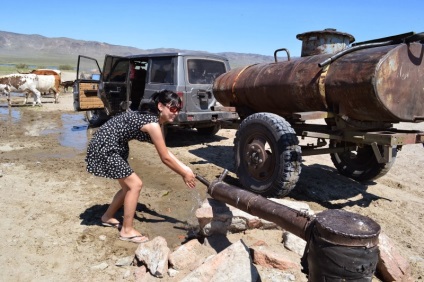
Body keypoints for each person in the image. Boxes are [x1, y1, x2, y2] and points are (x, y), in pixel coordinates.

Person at [85, 90, 196, 243]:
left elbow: (165, 151)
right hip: (106, 146)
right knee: (135, 185)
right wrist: (183, 173)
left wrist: (186, 169)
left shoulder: (157, 121)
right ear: (160, 106)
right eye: (172, 108)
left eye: (178, 109)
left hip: (115, 145)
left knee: (127, 187)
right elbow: (164, 158)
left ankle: (107, 217)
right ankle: (126, 230)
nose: (175, 113)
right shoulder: (152, 124)